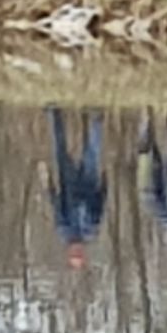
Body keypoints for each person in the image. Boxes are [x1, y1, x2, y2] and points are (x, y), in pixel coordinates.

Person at [45, 108, 106, 269]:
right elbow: (99, 207)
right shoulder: (91, 232)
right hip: (89, 185)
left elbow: (57, 206)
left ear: (69, 253)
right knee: (92, 153)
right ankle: (97, 119)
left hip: (69, 185)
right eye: (79, 255)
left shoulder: (64, 231)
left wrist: (49, 185)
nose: (76, 252)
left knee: (60, 150)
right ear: (84, 254)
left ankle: (53, 114)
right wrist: (104, 186)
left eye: (74, 255)